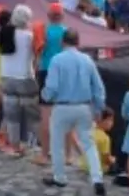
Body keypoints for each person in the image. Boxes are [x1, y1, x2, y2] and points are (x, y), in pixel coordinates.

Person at [42, 24, 107, 191]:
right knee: (88, 143)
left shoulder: (56, 60)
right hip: (84, 106)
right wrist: (99, 108)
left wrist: (45, 96)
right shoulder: (87, 60)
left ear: (63, 42)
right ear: (78, 42)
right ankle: (97, 178)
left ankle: (60, 177)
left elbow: (52, 87)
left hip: (62, 107)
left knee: (57, 142)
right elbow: (98, 87)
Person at [0, 4, 40, 156]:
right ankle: (35, 145)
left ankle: (15, 146)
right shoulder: (29, 36)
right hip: (25, 78)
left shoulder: (3, 34)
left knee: (12, 117)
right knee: (34, 116)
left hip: (6, 78)